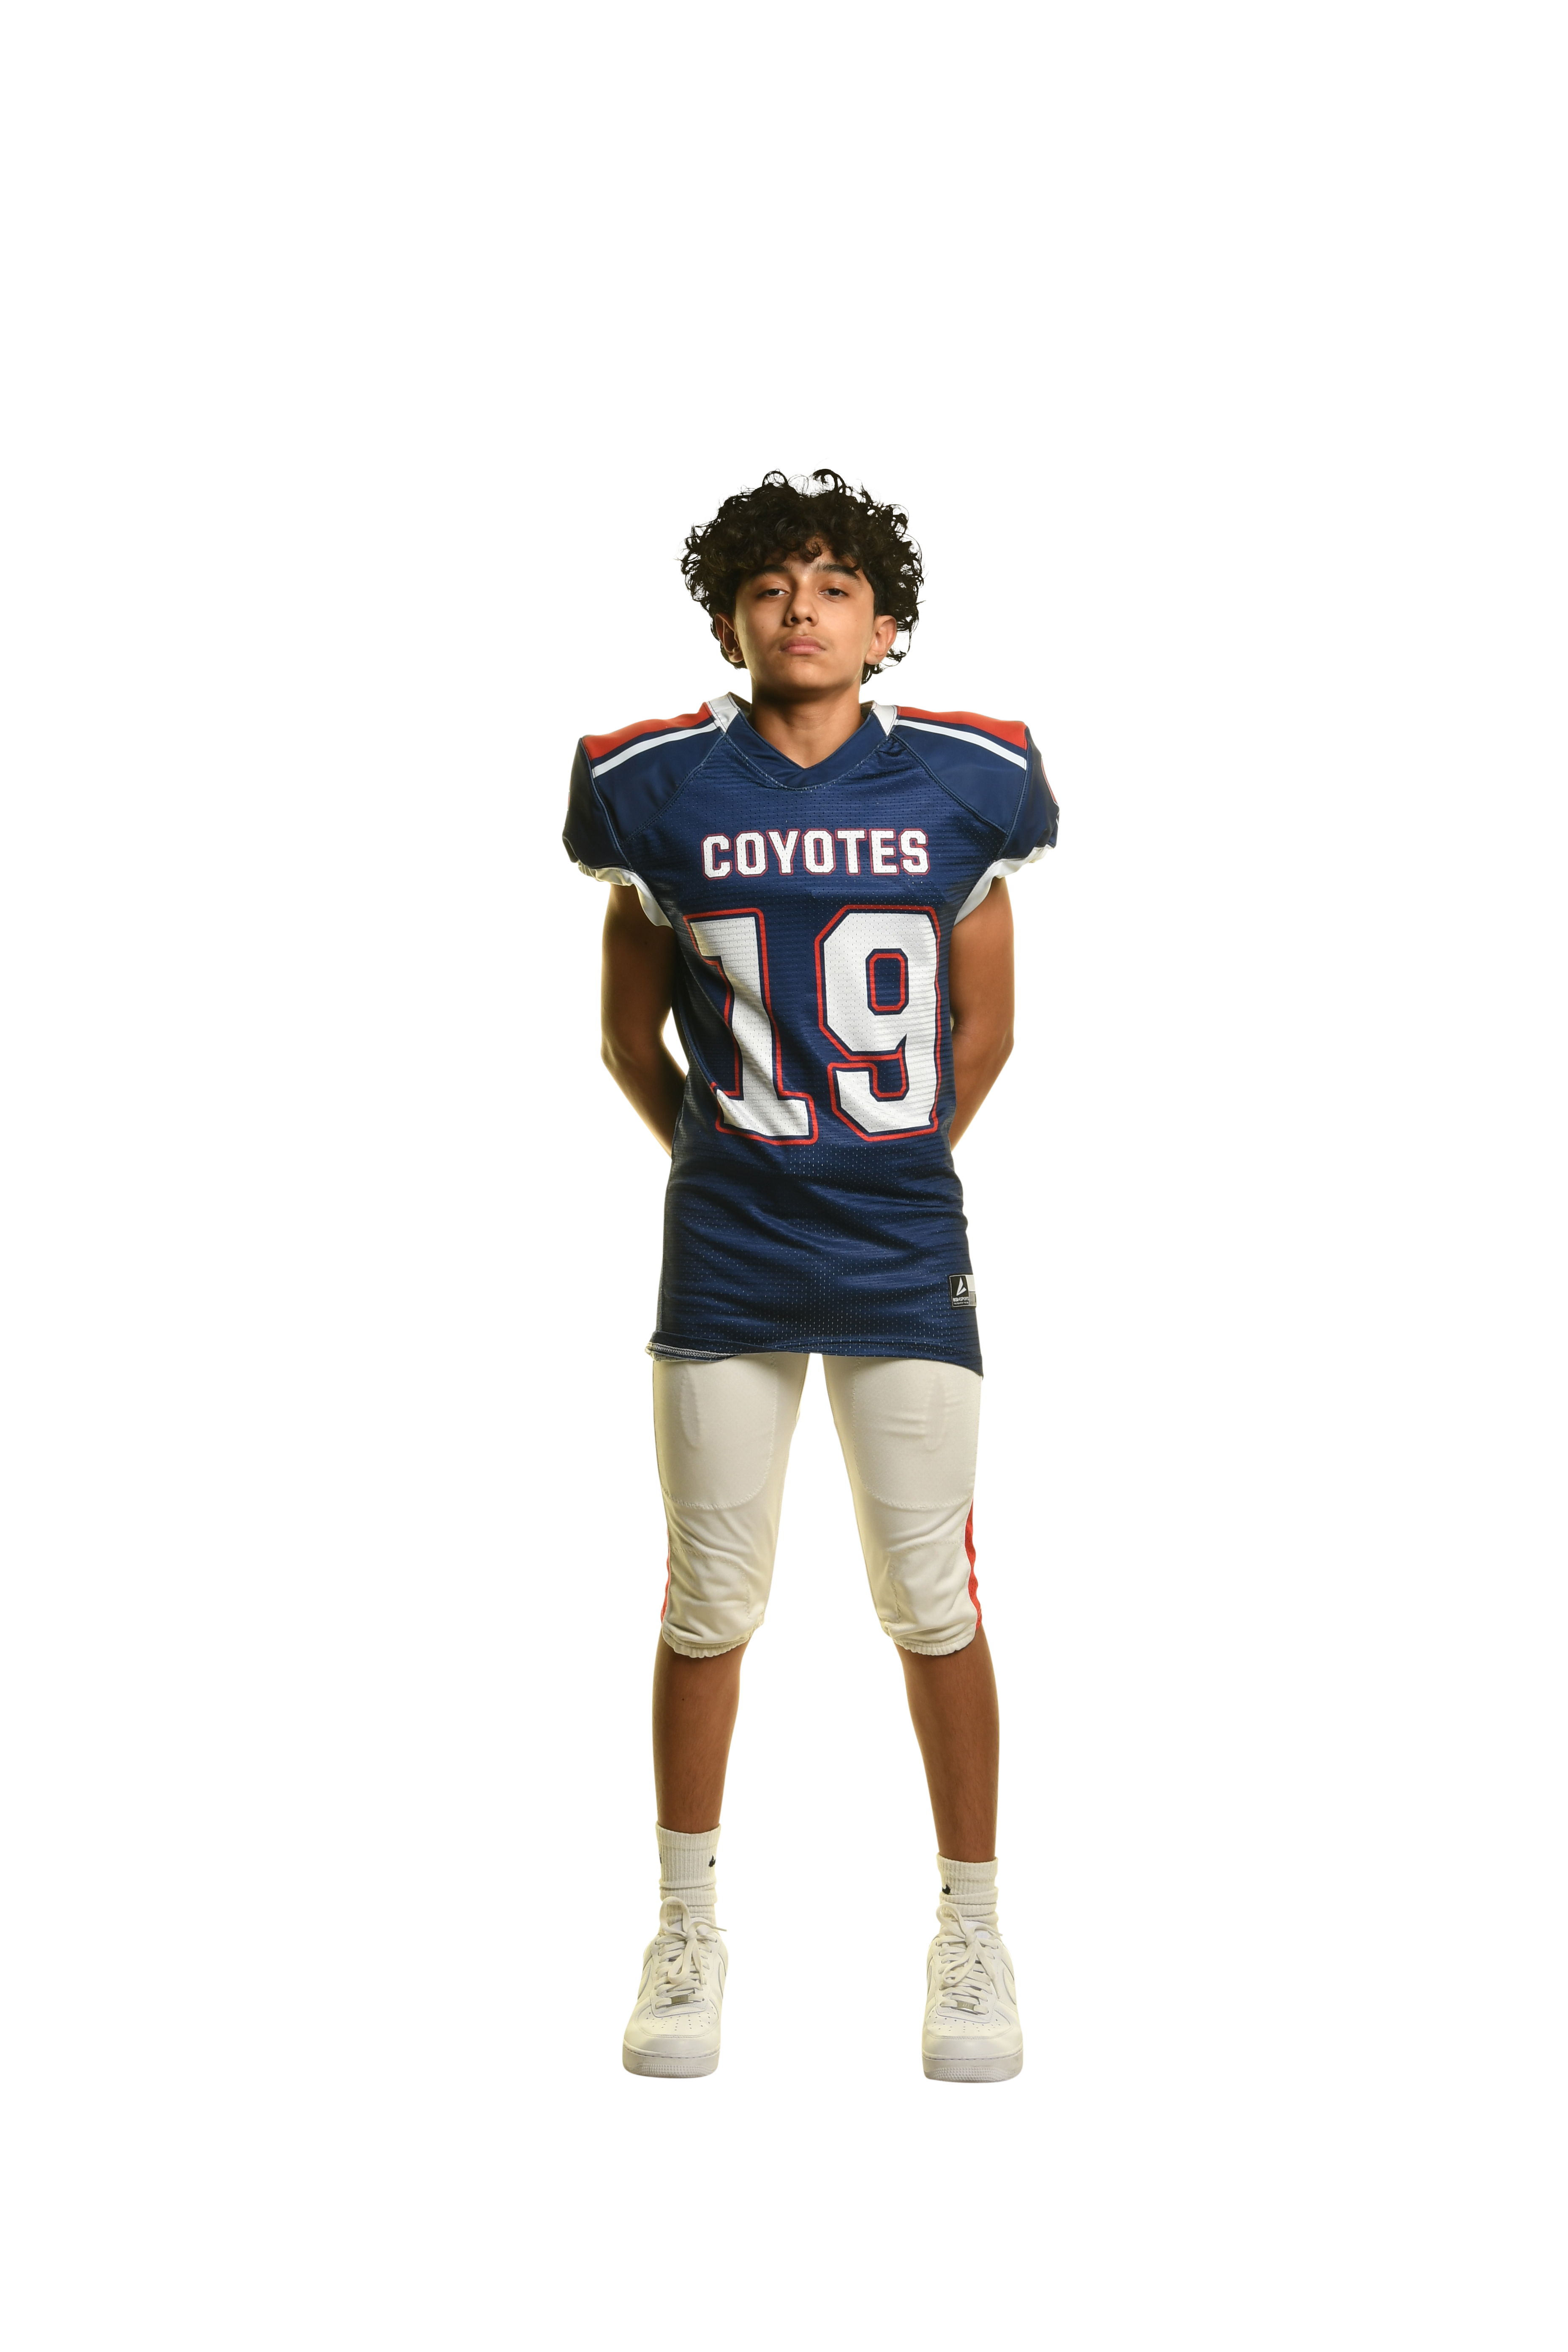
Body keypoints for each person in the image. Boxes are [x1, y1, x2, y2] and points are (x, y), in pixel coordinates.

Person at [562, 459, 1058, 2081]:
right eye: (772, 586)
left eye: (835, 583)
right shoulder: (653, 787)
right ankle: (685, 1927)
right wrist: (735, 1162)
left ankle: (973, 1927)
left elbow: (986, 1030)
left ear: (881, 621)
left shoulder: (966, 781)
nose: (802, 609)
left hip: (905, 1245)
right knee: (712, 1594)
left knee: (931, 1594)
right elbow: (629, 1038)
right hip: (727, 1253)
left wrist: (880, 1162)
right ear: (729, 621)